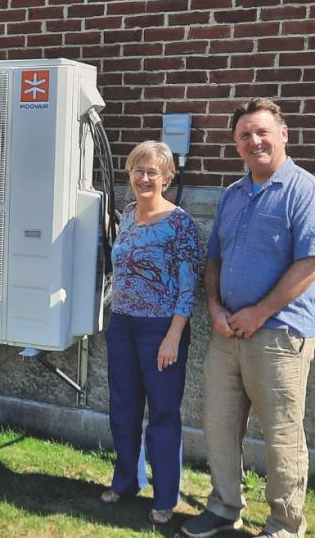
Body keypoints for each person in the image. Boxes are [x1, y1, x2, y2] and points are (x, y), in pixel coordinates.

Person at [182, 99, 315, 538]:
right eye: (244, 135)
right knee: (218, 425)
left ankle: (284, 523)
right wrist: (216, 308)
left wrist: (259, 312)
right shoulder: (232, 195)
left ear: (283, 135)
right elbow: (214, 258)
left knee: (281, 435)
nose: (253, 141)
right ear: (236, 145)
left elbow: (310, 262)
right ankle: (223, 508)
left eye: (261, 132)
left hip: (278, 333)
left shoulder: (304, 190)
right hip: (226, 333)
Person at [100, 141, 199, 525]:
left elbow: (187, 286)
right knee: (122, 409)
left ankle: (165, 496)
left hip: (161, 328)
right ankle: (126, 479)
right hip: (122, 324)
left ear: (167, 178)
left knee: (162, 414)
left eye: (153, 172)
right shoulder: (126, 215)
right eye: (138, 170)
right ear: (130, 174)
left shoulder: (179, 223)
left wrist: (174, 335)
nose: (144, 178)